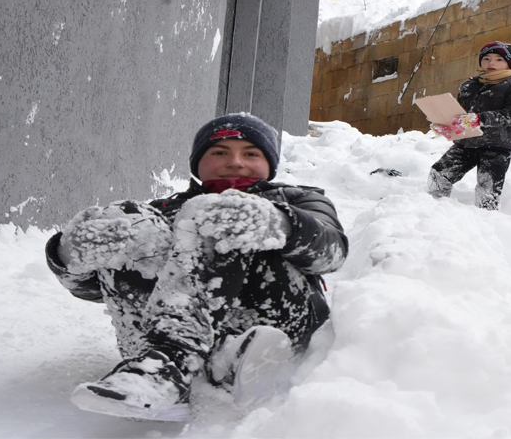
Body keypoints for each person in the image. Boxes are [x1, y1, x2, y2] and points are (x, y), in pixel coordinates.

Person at [45, 113, 347, 421]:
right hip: (153, 340)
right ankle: (167, 367)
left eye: (251, 153)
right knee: (125, 217)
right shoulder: (160, 213)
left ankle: (185, 366)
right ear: (197, 163)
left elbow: (331, 253)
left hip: (272, 322)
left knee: (221, 212)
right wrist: (68, 256)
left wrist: (280, 223)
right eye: (219, 152)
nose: (236, 161)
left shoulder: (298, 200)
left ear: (270, 165)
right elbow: (98, 291)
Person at [427, 41, 511, 210]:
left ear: (509, 63)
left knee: (487, 187)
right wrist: (446, 125)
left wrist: (480, 119)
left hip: (498, 145)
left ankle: (487, 222)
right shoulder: (469, 86)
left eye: (498, 59)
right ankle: (433, 210)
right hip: (467, 142)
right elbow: (460, 115)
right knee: (439, 173)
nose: (491, 63)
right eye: (486, 58)